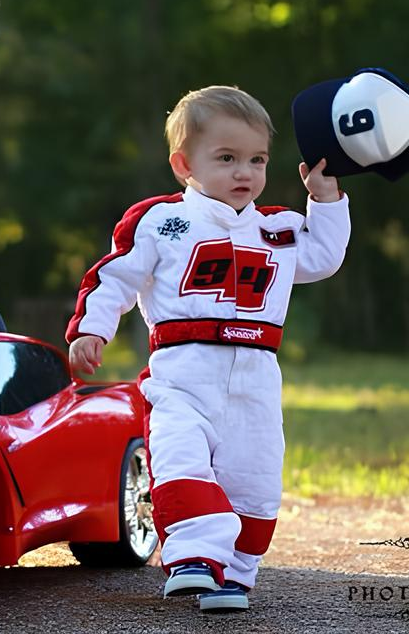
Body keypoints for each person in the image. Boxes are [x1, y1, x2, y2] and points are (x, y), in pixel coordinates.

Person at [66, 85, 350, 613]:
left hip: (256, 380)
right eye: (226, 159)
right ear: (183, 164)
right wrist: (92, 328)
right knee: (180, 458)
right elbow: (116, 277)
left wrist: (325, 196)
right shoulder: (161, 221)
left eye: (257, 159)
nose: (245, 172)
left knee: (255, 479)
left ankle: (234, 577)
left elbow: (325, 256)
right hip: (183, 372)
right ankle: (194, 557)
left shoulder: (278, 231)